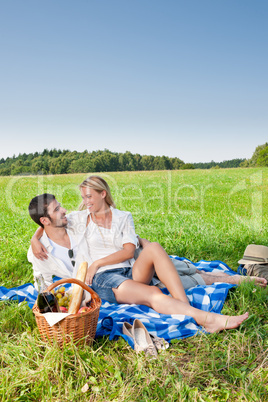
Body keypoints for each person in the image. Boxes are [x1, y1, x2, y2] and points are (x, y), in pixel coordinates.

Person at [28, 177, 266, 333]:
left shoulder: (76, 220)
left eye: (62, 206)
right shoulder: (41, 251)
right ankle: (206, 319)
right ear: (46, 219)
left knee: (168, 258)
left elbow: (54, 221)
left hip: (128, 268)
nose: (66, 209)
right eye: (58, 209)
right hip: (102, 278)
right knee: (155, 290)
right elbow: (46, 287)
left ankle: (184, 308)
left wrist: (37, 233)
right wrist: (36, 238)